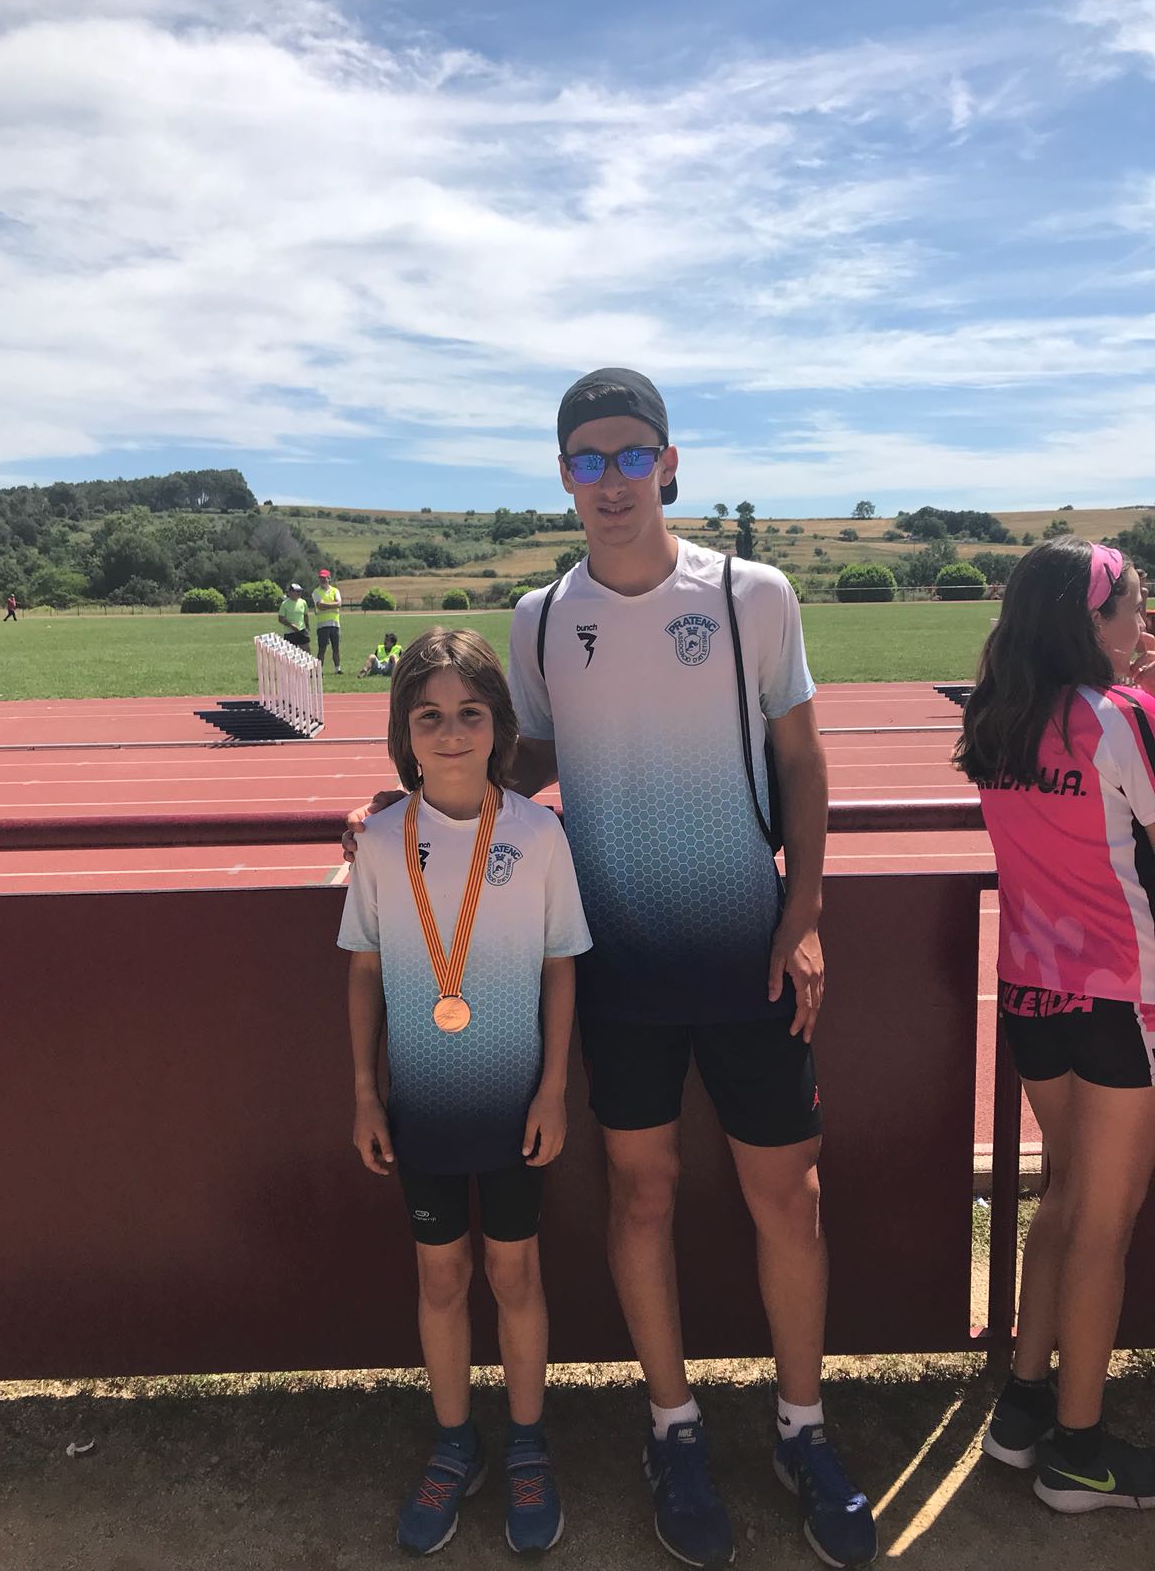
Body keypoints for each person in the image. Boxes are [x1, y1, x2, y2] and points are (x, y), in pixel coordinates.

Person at [346, 369, 874, 1570]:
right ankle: (672, 1427)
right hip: (616, 960)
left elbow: (802, 761)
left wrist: (802, 911)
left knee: (788, 1197)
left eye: (632, 454)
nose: (611, 479)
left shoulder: (751, 594)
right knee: (640, 1194)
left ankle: (803, 1427)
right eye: (586, 460)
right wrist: (405, 809)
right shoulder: (539, 620)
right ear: (563, 478)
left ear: (670, 464)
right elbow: (521, 767)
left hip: (745, 950)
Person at [341, 627, 592, 1557]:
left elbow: (562, 965)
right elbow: (364, 969)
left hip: (515, 1102)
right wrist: (366, 1094)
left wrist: (553, 1089)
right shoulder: (379, 841)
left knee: (514, 1273)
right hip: (421, 1108)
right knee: (441, 1277)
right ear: (404, 734)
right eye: (429, 717)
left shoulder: (538, 834)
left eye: (470, 714)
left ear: (501, 728)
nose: (451, 734)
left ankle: (527, 1444)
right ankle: (456, 1445)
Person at [956, 538, 1155, 1514]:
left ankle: (1025, 1406)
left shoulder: (999, 715)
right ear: (1090, 620)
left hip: (1031, 990)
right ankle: (1079, 1453)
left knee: (1064, 1196)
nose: (1142, 623)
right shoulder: (1121, 717)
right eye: (1132, 606)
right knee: (1102, 1226)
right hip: (1124, 995)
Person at [312, 568, 342, 673]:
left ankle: (338, 669)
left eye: (324, 578)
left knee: (336, 648)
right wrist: (332, 605)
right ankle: (319, 670)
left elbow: (339, 604)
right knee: (322, 649)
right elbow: (319, 606)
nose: (322, 580)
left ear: (329, 578)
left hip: (335, 624)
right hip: (322, 625)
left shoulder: (335, 590)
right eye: (320, 578)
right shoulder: (316, 592)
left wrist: (325, 605)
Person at [277, 583, 311, 649]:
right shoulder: (285, 604)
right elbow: (281, 619)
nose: (299, 593)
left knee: (306, 652)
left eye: (300, 591)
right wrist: (291, 626)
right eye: (297, 591)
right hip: (289, 633)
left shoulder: (303, 602)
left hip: (302, 630)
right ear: (290, 592)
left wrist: (307, 625)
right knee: (291, 653)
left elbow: (305, 615)